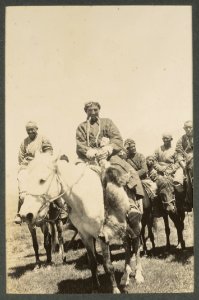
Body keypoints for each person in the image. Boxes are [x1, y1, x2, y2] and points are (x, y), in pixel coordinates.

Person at [76, 101, 144, 213]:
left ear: (99, 110)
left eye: (95, 110)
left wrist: (108, 149)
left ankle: (130, 203)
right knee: (76, 174)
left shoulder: (107, 122)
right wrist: (89, 151)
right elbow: (80, 144)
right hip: (88, 158)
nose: (93, 112)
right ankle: (72, 214)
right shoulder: (81, 127)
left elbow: (117, 139)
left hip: (109, 155)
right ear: (86, 111)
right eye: (90, 110)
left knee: (122, 169)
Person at [14, 121, 66, 224]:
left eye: (32, 129)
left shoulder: (43, 138)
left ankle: (62, 209)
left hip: (41, 164)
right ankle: (19, 213)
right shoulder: (24, 142)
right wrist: (26, 165)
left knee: (49, 185)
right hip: (28, 166)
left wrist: (39, 161)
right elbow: (21, 158)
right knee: (22, 185)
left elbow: (49, 151)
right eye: (28, 130)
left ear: (36, 129)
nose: (30, 131)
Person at [175, 120, 193, 211]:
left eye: (190, 127)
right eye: (186, 128)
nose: (188, 129)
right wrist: (183, 165)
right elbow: (179, 154)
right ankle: (186, 202)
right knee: (177, 181)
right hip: (185, 164)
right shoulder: (181, 139)